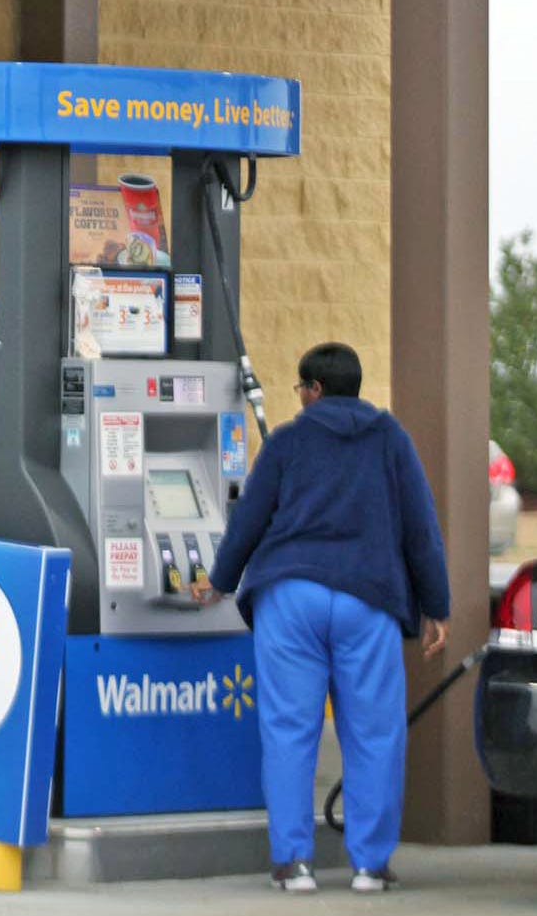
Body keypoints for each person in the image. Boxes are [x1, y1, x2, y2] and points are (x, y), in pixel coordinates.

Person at [192, 342, 450, 896]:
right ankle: (370, 865)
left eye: (300, 390)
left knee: (289, 729)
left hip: (291, 596)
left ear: (313, 390)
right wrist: (437, 606)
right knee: (374, 733)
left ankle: (293, 864)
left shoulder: (287, 441)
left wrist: (219, 580)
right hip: (369, 597)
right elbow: (420, 528)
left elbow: (249, 520)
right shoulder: (390, 439)